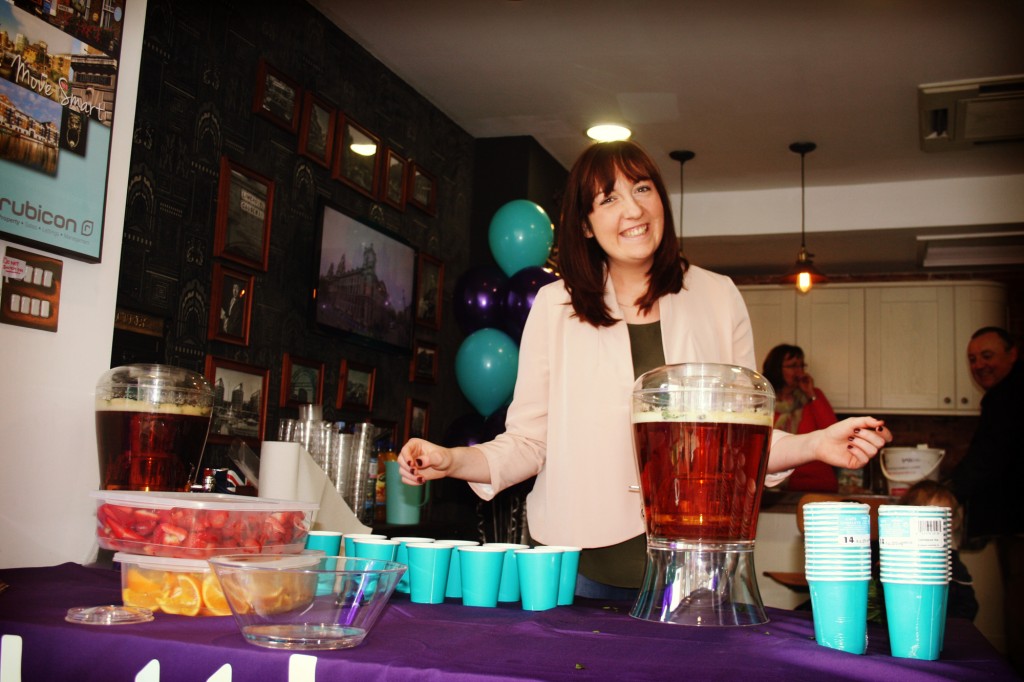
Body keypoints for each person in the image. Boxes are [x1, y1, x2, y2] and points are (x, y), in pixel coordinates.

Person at [398, 140, 892, 599]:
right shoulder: (555, 306)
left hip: (699, 564)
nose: (632, 209)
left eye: (642, 188)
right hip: (582, 567)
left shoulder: (718, 297)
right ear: (586, 225)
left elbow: (744, 438)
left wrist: (816, 443)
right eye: (608, 199)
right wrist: (452, 460)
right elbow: (529, 442)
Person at [952, 326, 1023, 673]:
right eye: (973, 359)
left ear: (1013, 354)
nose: (979, 365)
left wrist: (948, 493)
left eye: (987, 356)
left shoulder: (1008, 397)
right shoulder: (1006, 395)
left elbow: (988, 459)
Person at [762, 344, 839, 492]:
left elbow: (833, 432)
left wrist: (811, 394)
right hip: (776, 489)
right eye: (792, 366)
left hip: (819, 486)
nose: (800, 372)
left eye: (801, 365)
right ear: (776, 369)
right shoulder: (764, 401)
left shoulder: (813, 397)